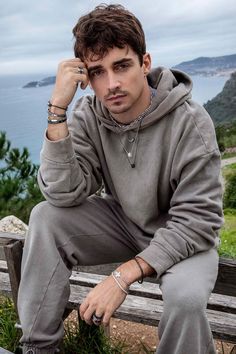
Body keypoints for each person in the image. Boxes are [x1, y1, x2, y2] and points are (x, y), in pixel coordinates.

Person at [17, 4, 223, 354]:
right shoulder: (89, 115)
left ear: (145, 63)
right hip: (124, 224)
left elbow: (198, 221)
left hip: (184, 236)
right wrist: (57, 110)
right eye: (97, 72)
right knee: (45, 217)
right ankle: (37, 348)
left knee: (186, 299)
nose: (111, 84)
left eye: (122, 66)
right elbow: (63, 194)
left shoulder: (191, 122)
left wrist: (122, 276)